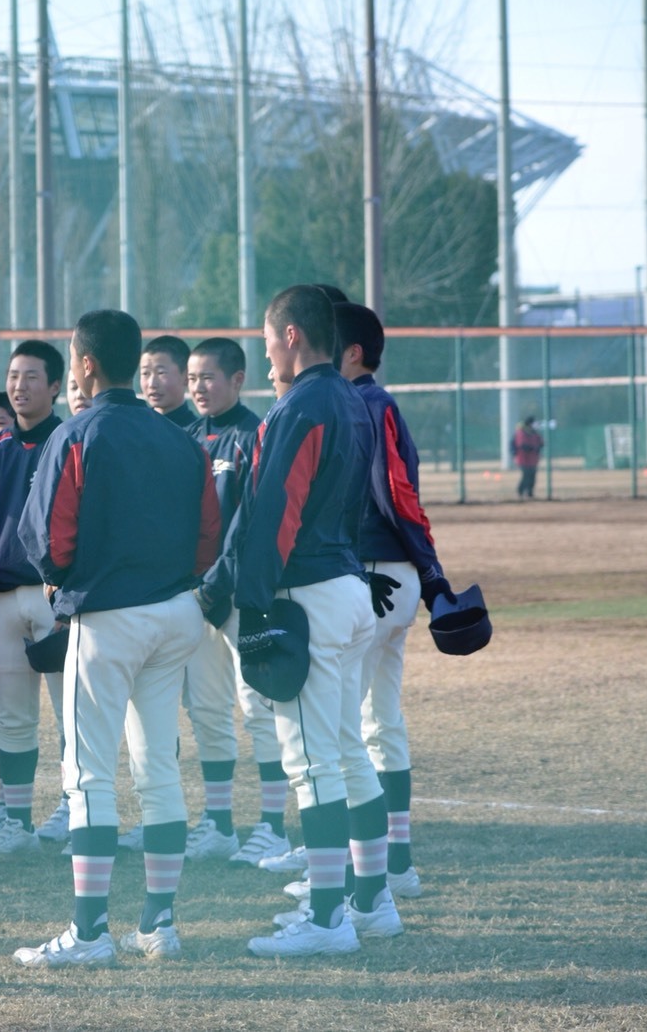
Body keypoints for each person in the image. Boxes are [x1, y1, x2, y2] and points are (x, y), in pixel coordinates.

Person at [12, 309, 219, 968]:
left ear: (85, 365)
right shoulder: (181, 438)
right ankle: (158, 924)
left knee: (88, 775)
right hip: (176, 610)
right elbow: (210, 531)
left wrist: (61, 581)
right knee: (158, 768)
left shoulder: (78, 432)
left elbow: (48, 537)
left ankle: (90, 933)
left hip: (108, 618)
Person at [196, 285, 390, 958]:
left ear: (292, 338)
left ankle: (330, 919)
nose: (266, 347)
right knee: (344, 751)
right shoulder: (350, 400)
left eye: (268, 336)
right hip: (345, 585)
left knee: (312, 764)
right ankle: (374, 900)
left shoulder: (300, 404)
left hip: (307, 591)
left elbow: (275, 510)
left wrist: (253, 601)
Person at [336, 301, 452, 902]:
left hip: (374, 574)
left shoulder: (362, 404)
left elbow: (397, 495)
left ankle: (362, 875)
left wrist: (432, 572)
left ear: (352, 352)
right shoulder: (369, 402)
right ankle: (396, 864)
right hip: (391, 574)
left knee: (341, 730)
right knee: (380, 721)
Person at [177, 337, 291, 868]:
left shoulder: (255, 434)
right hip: (194, 600)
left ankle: (274, 826)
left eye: (208, 377)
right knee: (207, 711)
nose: (198, 387)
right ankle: (219, 824)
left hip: (236, 597)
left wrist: (216, 586)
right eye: (193, 378)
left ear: (238, 379)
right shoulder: (186, 438)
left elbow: (249, 527)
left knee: (259, 711)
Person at [0, 340, 68, 858]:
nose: (20, 386)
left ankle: (78, 809)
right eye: (14, 375)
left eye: (32, 376)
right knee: (12, 716)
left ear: (55, 386)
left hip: (56, 597)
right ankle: (15, 821)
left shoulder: (70, 442)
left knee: (71, 713)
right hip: (3, 598)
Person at [140, 334, 198, 427]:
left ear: (186, 376)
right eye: (145, 373)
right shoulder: (136, 427)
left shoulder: (196, 433)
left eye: (161, 373)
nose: (152, 384)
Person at [513, 416, 543, 499]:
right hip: (523, 459)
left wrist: (538, 447)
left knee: (532, 476)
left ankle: (530, 493)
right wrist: (532, 448)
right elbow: (522, 445)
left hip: (533, 459)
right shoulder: (521, 433)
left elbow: (540, 442)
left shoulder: (534, 433)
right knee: (526, 475)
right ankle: (520, 491)